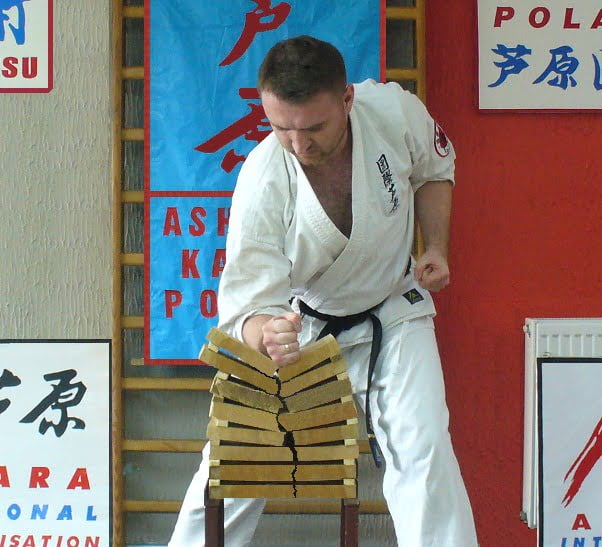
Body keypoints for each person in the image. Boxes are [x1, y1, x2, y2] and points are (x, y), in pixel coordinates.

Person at [170, 35, 478, 546]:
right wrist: (266, 332)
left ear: (347, 99)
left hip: (392, 311)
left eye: (313, 128)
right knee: (232, 461)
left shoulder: (393, 112)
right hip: (302, 326)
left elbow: (434, 170)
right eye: (281, 127)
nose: (299, 144)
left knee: (425, 452)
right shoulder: (263, 179)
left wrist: (437, 247)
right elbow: (246, 306)